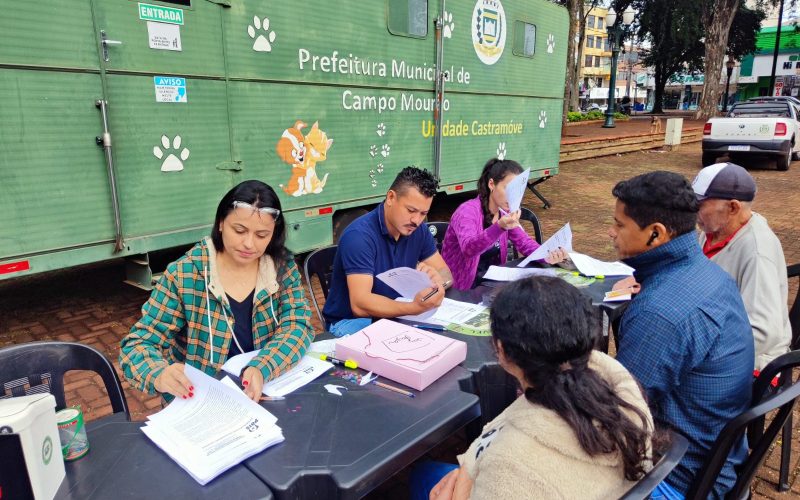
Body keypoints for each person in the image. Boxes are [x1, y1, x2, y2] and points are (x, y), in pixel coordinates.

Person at [411, 276, 654, 500]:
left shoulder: (510, 464)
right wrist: (470, 470)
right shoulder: (620, 385)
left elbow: (508, 472)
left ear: (501, 350)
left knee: (422, 474)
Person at [609, 171, 753, 499]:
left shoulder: (660, 313)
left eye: (619, 224)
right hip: (716, 456)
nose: (611, 232)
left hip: (677, 477)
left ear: (656, 233)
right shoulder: (709, 275)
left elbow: (615, 412)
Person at [120, 180, 313, 402]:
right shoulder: (185, 274)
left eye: (262, 235)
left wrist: (263, 367)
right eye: (239, 230)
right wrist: (159, 374)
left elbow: (297, 325)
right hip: (202, 401)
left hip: (262, 394)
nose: (249, 244)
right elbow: (138, 344)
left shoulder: (281, 267)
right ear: (221, 223)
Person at [322, 167, 453, 336]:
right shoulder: (359, 237)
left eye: (423, 213)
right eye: (411, 210)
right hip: (350, 322)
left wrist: (438, 282)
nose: (416, 220)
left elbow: (445, 273)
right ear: (391, 197)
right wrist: (413, 308)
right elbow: (360, 305)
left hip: (395, 312)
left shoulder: (418, 229)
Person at [693, 162, 791, 372]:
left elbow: (763, 333)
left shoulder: (757, 251)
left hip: (750, 362)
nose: (693, 211)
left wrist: (696, 348)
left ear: (733, 207)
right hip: (715, 337)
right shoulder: (712, 231)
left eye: (699, 205)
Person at [441, 158, 567, 290]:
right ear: (491, 184)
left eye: (518, 191)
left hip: (491, 284)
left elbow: (524, 243)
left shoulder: (504, 213)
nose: (513, 196)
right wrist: (499, 227)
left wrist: (548, 255)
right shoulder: (467, 212)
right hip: (461, 289)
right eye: (508, 189)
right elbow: (469, 249)